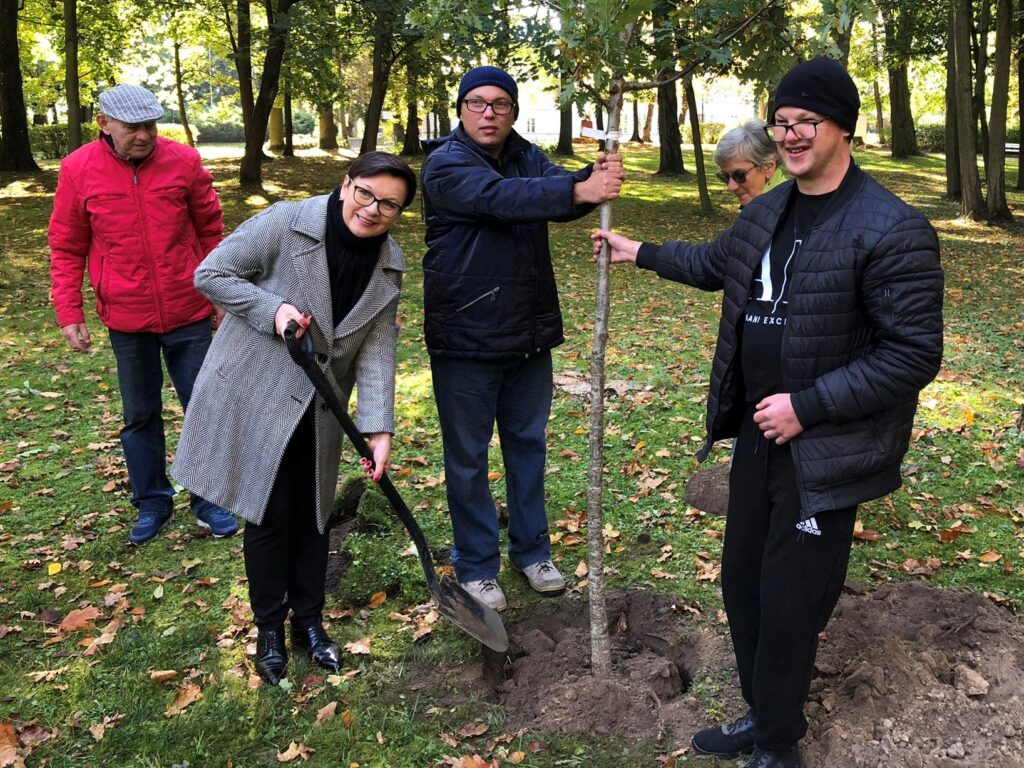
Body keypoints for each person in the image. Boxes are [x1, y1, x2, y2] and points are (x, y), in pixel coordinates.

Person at [592, 57, 943, 768]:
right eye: (781, 122)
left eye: (806, 121)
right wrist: (642, 251)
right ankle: (763, 714)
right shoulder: (768, 211)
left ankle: (780, 746)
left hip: (824, 449)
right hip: (758, 433)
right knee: (744, 585)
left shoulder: (892, 228)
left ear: (843, 127)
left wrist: (807, 407)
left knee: (790, 598)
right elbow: (715, 263)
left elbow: (912, 355)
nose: (791, 134)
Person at [171, 152, 416, 686]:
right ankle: (269, 630)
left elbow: (377, 349)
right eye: (366, 193)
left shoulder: (389, 265)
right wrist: (273, 309)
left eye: (389, 205)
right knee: (270, 512)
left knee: (314, 514)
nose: (372, 209)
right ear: (346, 184)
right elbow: (211, 273)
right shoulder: (287, 223)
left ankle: (309, 623)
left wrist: (378, 429)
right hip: (258, 391)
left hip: (321, 406)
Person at [421, 66, 625, 611]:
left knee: (528, 448)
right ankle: (476, 566)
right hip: (465, 338)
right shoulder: (445, 164)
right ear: (460, 109)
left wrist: (593, 177)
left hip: (527, 334)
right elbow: (501, 198)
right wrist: (578, 187)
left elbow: (553, 192)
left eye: (501, 104)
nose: (489, 113)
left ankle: (532, 551)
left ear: (513, 111)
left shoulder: (525, 155)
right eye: (477, 103)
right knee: (468, 458)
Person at [48, 84, 238, 545]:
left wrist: (220, 295)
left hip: (188, 309)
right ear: (104, 124)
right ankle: (152, 502)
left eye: (151, 125)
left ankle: (209, 499)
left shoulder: (184, 162)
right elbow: (67, 245)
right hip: (126, 317)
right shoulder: (78, 169)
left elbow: (211, 232)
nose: (144, 135)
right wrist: (69, 311)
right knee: (140, 415)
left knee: (203, 407)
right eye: (133, 127)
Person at [713, 119, 779, 207]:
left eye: (739, 175)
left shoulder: (785, 210)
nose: (731, 187)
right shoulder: (761, 206)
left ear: (768, 167)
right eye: (725, 177)